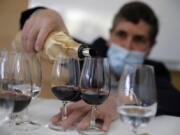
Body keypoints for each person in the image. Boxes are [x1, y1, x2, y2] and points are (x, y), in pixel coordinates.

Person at [18, 1, 180, 132]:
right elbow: (33, 26)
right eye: (121, 34)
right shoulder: (88, 53)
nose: (127, 46)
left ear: (150, 46)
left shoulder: (154, 70)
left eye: (138, 39)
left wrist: (119, 100)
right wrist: (43, 14)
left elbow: (175, 100)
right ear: (110, 35)